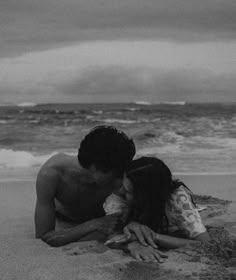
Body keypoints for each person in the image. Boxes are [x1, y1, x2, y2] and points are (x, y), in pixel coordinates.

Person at [34, 125, 136, 247]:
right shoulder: (52, 174)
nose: (119, 178)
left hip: (102, 221)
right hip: (65, 220)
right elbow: (43, 235)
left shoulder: (121, 174)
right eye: (115, 173)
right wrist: (94, 224)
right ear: (94, 167)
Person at [104, 157, 210, 262]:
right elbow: (111, 236)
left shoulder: (176, 199)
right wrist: (133, 243)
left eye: (129, 191)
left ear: (146, 197)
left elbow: (205, 244)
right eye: (123, 184)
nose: (121, 190)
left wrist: (154, 237)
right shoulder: (118, 198)